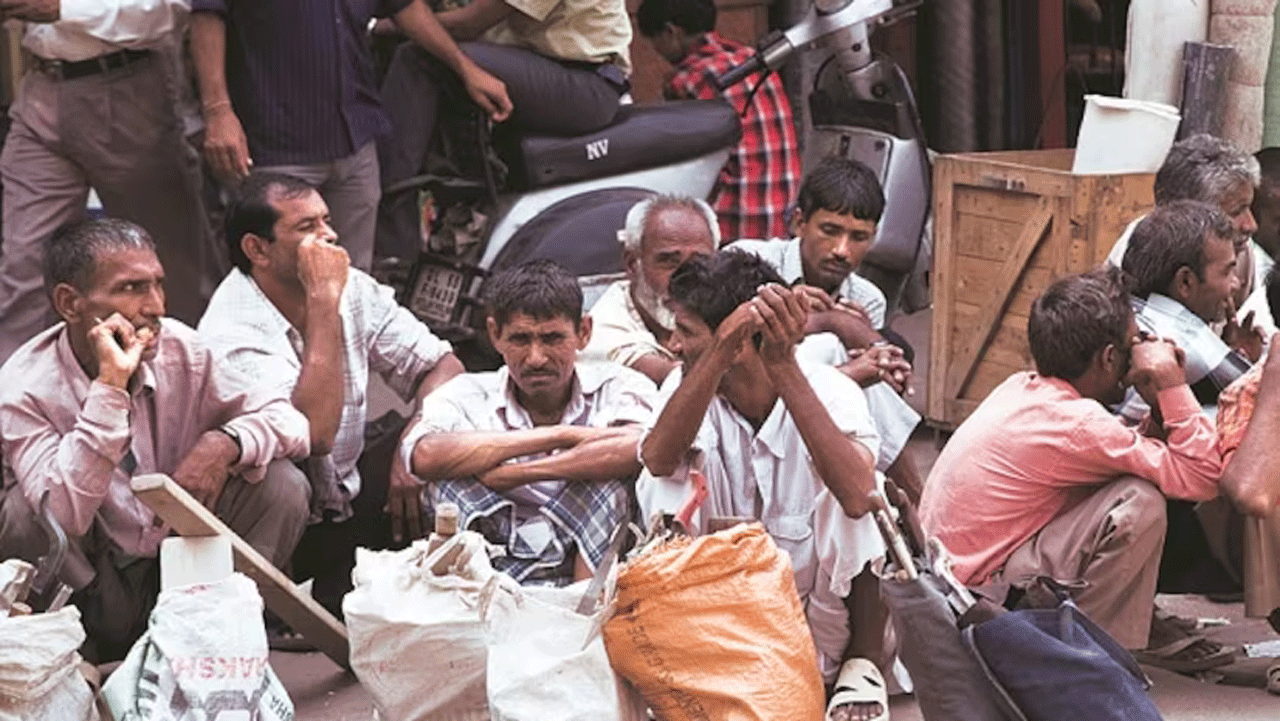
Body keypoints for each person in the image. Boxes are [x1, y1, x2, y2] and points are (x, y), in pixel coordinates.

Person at [0, 219, 310, 663]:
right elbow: (62, 518)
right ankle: (72, 666)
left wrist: (223, 444)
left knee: (282, 485)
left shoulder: (184, 350)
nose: (155, 307)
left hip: (185, 572)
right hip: (94, 590)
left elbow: (291, 422)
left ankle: (221, 644)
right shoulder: (25, 387)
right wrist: (109, 390)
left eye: (158, 285)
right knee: (25, 515)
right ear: (70, 303)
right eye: (131, 288)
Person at [917, 267, 1231, 671]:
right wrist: (1173, 384)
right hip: (976, 597)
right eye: (1133, 344)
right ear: (1108, 358)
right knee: (1141, 504)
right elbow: (1204, 479)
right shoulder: (1079, 423)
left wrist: (1157, 404)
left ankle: (1083, 647)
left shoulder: (1024, 387)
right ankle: (1085, 662)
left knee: (1131, 484)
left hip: (952, 585)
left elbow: (1128, 453)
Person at [197, 172, 464, 617]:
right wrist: (323, 301)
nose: (330, 235)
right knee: (286, 482)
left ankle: (370, 589)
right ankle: (275, 609)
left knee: (443, 435)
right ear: (257, 249)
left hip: (344, 493)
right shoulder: (233, 327)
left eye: (326, 219)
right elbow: (314, 433)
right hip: (284, 520)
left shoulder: (351, 285)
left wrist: (416, 439)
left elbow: (444, 366)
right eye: (307, 227)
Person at [638, 251, 888, 712]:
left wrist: (781, 362)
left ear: (743, 341)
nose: (673, 345)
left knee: (869, 489)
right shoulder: (687, 388)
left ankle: (864, 663)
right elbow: (656, 460)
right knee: (665, 486)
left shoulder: (832, 391)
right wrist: (716, 354)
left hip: (817, 632)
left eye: (687, 332)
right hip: (717, 631)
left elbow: (857, 497)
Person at [190, 0, 511, 272]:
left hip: (354, 136)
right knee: (276, 278)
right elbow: (207, 14)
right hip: (276, 139)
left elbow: (405, 8)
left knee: (351, 278)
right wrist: (218, 110)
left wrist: (465, 68)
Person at [401, 260, 655, 586]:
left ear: (584, 332)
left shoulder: (620, 387)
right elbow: (425, 456)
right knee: (447, 489)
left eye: (552, 339)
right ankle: (466, 611)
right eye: (521, 339)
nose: (536, 358)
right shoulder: (467, 394)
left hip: (581, 559)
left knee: (609, 487)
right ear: (495, 335)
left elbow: (641, 448)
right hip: (489, 559)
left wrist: (521, 473)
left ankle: (582, 619)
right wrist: (559, 436)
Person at [0, 0, 216, 364]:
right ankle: (18, 401)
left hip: (126, 84)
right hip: (41, 83)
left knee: (171, 264)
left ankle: (190, 381)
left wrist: (62, 9)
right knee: (24, 265)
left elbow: (168, 11)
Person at [375, 0, 632, 259]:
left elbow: (469, 23)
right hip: (532, 66)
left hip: (584, 80)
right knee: (420, 47)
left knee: (419, 56)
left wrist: (383, 23)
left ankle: (393, 252)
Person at [728, 156, 923, 497]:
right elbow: (730, 345)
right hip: (747, 407)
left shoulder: (867, 297)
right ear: (800, 222)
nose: (842, 251)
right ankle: (917, 503)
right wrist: (831, 322)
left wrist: (855, 334)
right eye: (830, 231)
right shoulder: (751, 260)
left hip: (813, 426)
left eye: (859, 237)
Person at [636, 0, 801, 243]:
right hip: (783, 219)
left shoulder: (687, 81)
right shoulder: (753, 61)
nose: (657, 52)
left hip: (734, 226)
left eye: (654, 41)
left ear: (671, 32)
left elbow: (677, 164)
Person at [1119, 200, 1255, 422]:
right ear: (1185, 282)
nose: (1236, 283)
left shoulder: (1127, 308)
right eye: (1227, 272)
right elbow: (1260, 397)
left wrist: (1231, 349)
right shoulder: (1179, 337)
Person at [1106, 133, 1264, 308]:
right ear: (1187, 216)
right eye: (1236, 211)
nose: (1251, 225)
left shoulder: (1239, 250)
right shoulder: (1137, 256)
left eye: (1249, 208)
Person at [581, 194, 720, 383]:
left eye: (700, 263)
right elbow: (676, 378)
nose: (686, 278)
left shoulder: (726, 296)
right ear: (632, 264)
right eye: (670, 262)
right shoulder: (603, 330)